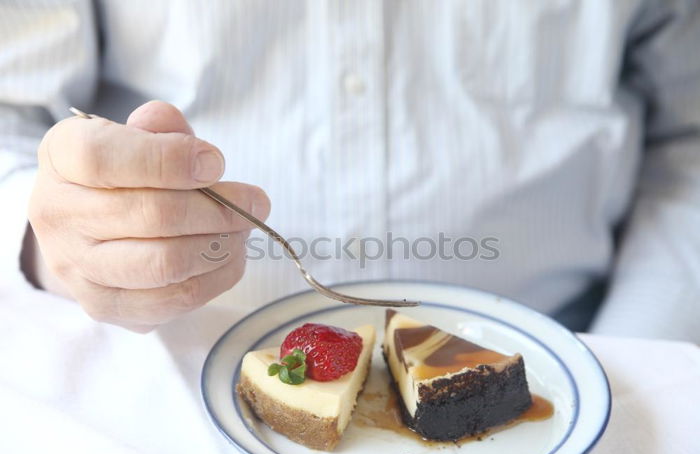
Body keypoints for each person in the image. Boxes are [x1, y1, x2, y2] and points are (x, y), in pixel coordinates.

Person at [1, 0, 698, 341]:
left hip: (572, 351)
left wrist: (626, 370)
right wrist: (59, 239)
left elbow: (688, 133)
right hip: (164, 376)